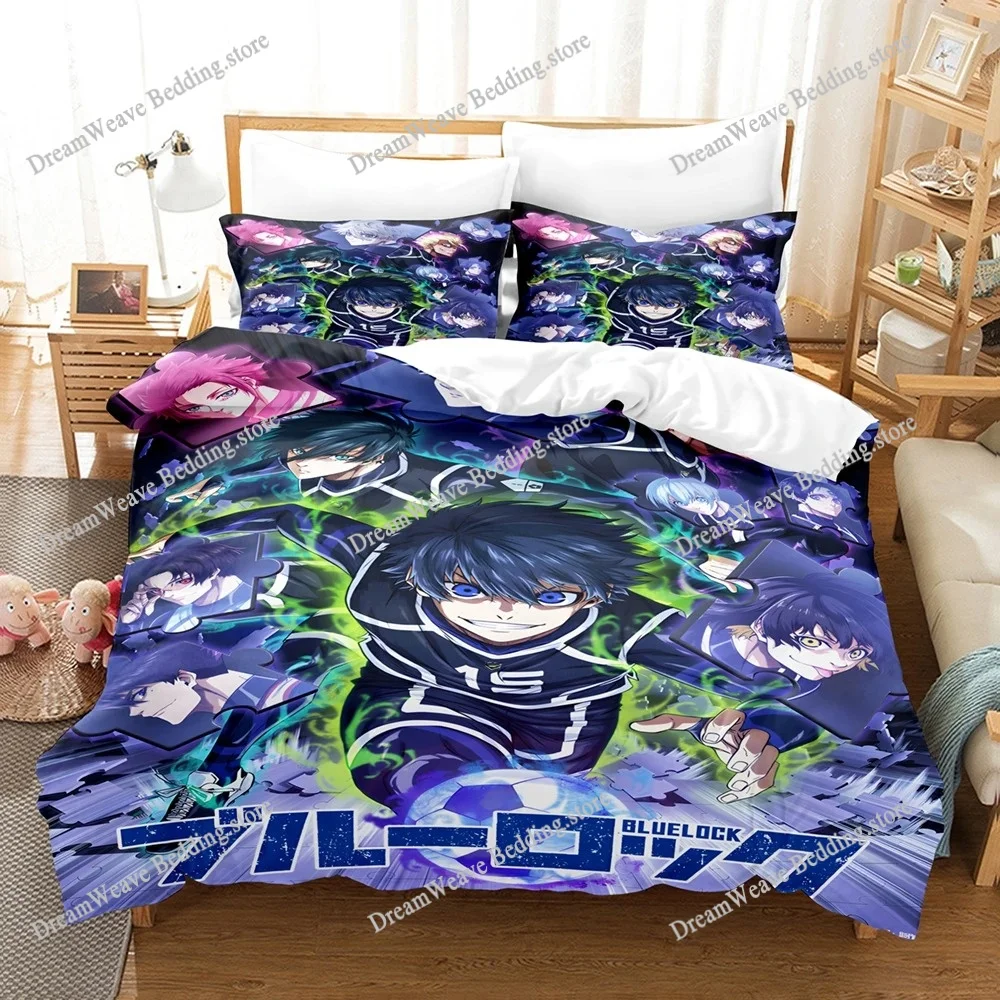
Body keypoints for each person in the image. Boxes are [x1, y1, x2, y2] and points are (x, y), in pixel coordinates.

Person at [194, 500, 794, 813]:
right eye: (469, 590)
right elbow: (293, 516)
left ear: (593, 597)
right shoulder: (385, 580)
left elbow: (770, 685)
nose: (506, 611)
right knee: (414, 763)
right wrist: (186, 538)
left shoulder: (622, 627)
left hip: (555, 727)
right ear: (423, 580)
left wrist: (766, 730)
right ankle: (441, 797)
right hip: (413, 696)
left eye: (549, 597)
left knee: (537, 791)